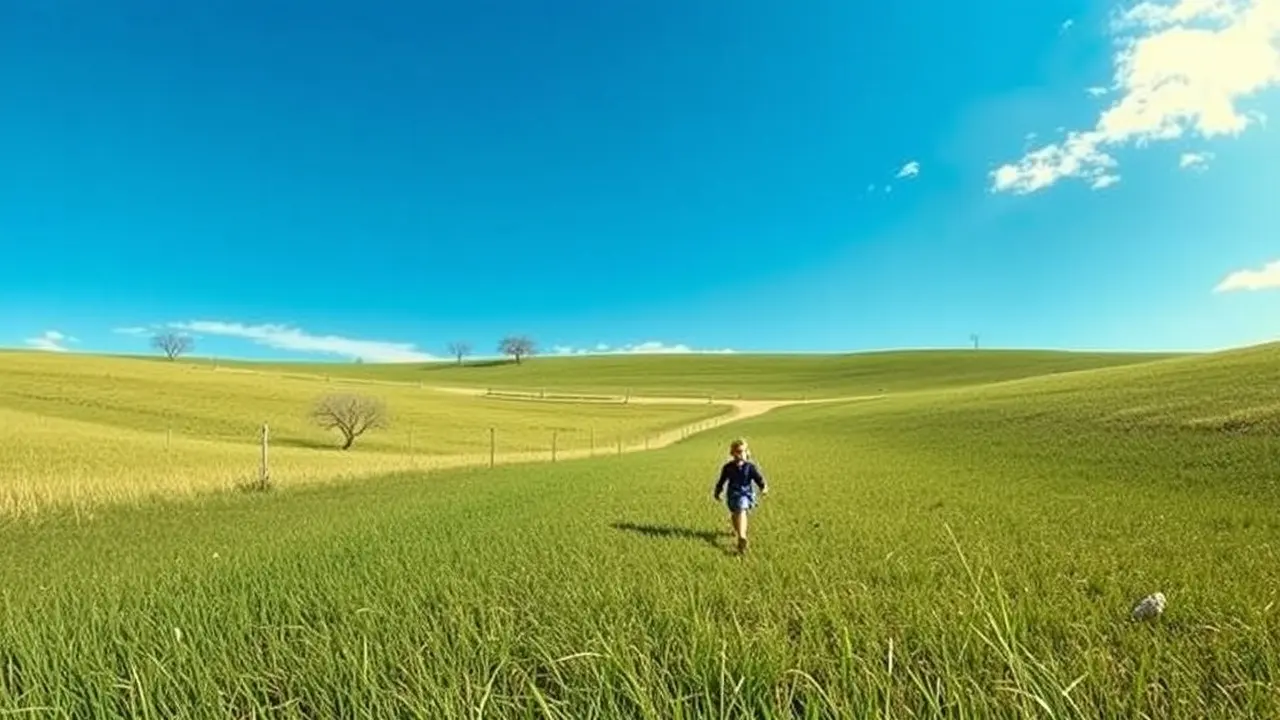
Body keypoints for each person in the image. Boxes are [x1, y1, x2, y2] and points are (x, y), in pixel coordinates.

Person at [713, 438, 768, 554]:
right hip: (732, 493)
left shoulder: (750, 467)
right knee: (734, 514)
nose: (740, 454)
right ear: (732, 453)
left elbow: (759, 479)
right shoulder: (728, 467)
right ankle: (738, 532)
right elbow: (721, 481)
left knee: (741, 509)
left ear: (746, 452)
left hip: (746, 493)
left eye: (742, 451)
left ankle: (742, 537)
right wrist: (717, 492)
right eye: (737, 452)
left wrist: (763, 488)